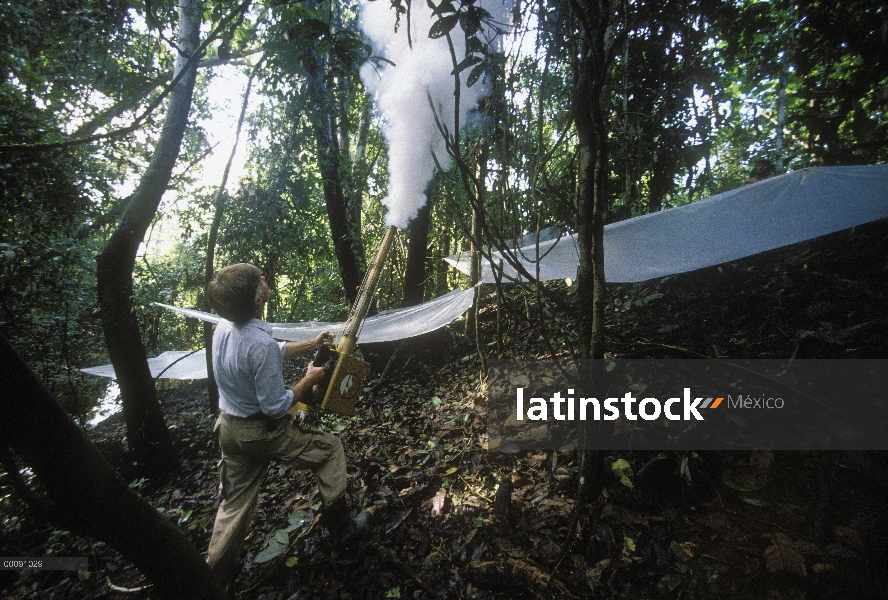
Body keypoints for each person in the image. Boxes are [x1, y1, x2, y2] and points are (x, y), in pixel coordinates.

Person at [204, 263, 360, 585]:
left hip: (229, 430)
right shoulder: (257, 343)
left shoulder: (224, 327)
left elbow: (272, 351)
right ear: (256, 298)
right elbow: (276, 407)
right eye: (259, 279)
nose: (265, 278)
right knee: (331, 450)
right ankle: (343, 528)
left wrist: (313, 343)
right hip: (260, 433)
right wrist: (308, 379)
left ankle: (212, 578)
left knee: (235, 505)